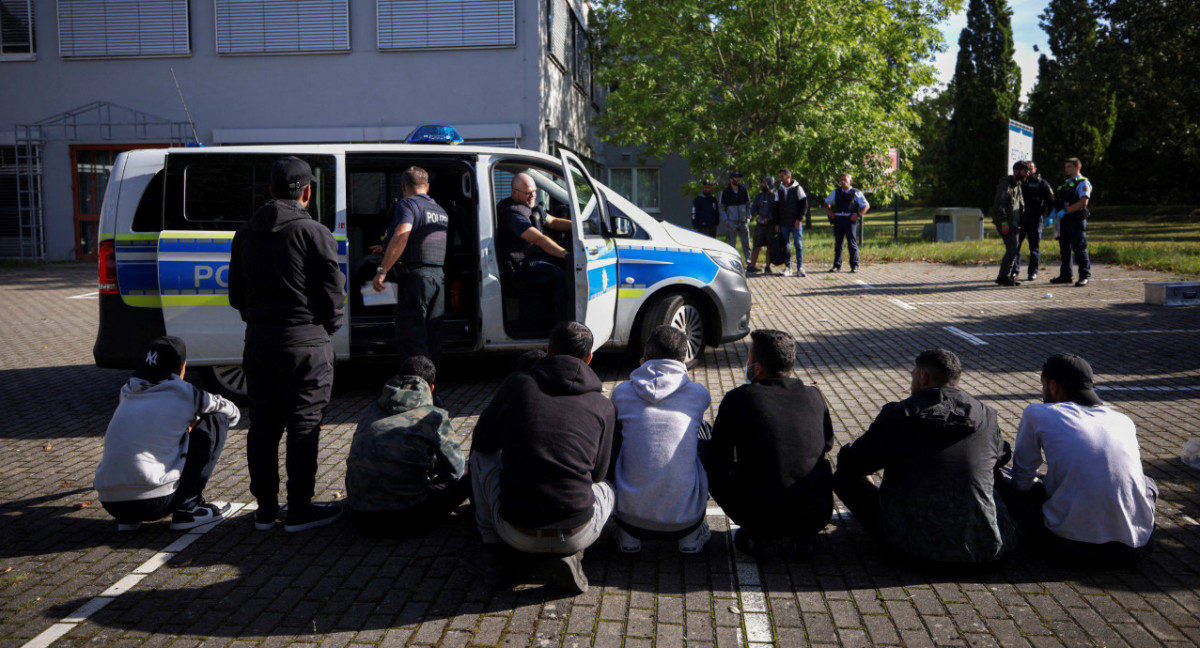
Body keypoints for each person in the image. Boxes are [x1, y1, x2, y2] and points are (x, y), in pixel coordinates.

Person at [228, 156, 346, 533]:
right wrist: (330, 325)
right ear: (307, 192)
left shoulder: (245, 232)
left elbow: (235, 294)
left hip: (260, 343)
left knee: (262, 426)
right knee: (304, 427)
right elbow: (332, 290)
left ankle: (264, 510)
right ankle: (298, 509)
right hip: (306, 343)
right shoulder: (314, 232)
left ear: (270, 190)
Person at [467, 321, 615, 593]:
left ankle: (494, 551)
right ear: (590, 358)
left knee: (479, 456)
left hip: (514, 530)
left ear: (548, 351)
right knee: (608, 488)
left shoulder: (518, 385)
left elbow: (482, 442)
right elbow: (598, 474)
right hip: (577, 530)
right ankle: (572, 553)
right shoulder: (603, 405)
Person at [832, 349, 1015, 567]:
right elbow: (1002, 455)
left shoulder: (899, 414)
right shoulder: (986, 414)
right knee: (990, 468)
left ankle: (899, 521)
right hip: (983, 551)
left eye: (912, 375)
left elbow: (851, 462)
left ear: (923, 377)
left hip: (914, 549)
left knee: (843, 477)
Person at [1000, 353, 1157, 566]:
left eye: (1043, 385)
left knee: (1000, 476)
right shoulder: (1123, 420)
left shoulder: (1038, 412)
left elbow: (1022, 482)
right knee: (1147, 482)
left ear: (1053, 386)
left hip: (1070, 546)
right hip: (1136, 547)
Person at [703, 329, 834, 557]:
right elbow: (827, 445)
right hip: (817, 512)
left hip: (760, 513)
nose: (747, 365)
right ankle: (804, 536)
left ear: (758, 367)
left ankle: (757, 534)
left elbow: (718, 457)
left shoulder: (739, 398)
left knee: (711, 464)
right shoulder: (815, 396)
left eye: (748, 359)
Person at [94, 336, 240, 531]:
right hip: (155, 502)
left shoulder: (128, 391)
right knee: (217, 417)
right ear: (182, 367)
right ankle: (190, 508)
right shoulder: (185, 393)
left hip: (111, 503)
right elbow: (232, 412)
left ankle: (129, 520)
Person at [609, 325, 712, 554]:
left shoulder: (621, 392)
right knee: (702, 429)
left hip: (629, 519)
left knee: (619, 431)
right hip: (685, 521)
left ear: (644, 357)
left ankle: (627, 537)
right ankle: (692, 537)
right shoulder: (699, 394)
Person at [345, 355, 468, 536]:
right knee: (472, 469)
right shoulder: (433, 416)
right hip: (408, 518)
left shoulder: (370, 410)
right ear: (431, 388)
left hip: (360, 517)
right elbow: (456, 469)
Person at [372, 167, 450, 366]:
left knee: (412, 337)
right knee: (432, 336)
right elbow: (422, 241)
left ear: (404, 186)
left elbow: (402, 236)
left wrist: (382, 271)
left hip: (416, 279)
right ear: (427, 187)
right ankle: (431, 389)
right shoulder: (439, 210)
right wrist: (386, 248)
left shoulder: (407, 203)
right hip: (438, 278)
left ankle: (414, 390)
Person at [496, 172, 572, 318]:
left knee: (571, 247)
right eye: (528, 193)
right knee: (560, 277)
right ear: (514, 192)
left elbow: (553, 222)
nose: (532, 196)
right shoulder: (513, 215)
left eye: (534, 192)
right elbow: (539, 239)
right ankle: (562, 326)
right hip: (522, 264)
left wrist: (582, 226)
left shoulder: (529, 205)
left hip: (535, 254)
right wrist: (565, 255)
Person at [1049, 158, 1093, 287]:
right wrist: (1052, 215)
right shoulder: (1066, 183)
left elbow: (1083, 202)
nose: (1066, 169)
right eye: (1065, 166)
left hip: (1076, 220)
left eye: (1069, 166)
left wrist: (1066, 210)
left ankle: (1084, 276)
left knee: (1079, 248)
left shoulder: (1082, 183)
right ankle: (1066, 275)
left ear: (1077, 167)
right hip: (1064, 221)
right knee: (1064, 249)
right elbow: (1058, 202)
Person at [1011, 160, 1055, 282]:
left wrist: (1050, 216)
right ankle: (1014, 271)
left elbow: (1051, 201)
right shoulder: (1018, 182)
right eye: (1026, 169)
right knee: (1015, 246)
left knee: (1034, 246)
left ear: (1035, 170)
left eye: (1030, 168)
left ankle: (1033, 272)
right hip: (1020, 218)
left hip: (1035, 218)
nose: (1028, 171)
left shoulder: (1040, 183)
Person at [991, 161, 1028, 286]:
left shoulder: (1018, 185)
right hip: (1006, 222)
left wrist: (1021, 221)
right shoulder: (1005, 184)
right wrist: (1003, 222)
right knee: (1012, 248)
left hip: (1014, 223)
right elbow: (1000, 205)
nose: (1027, 174)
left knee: (1013, 249)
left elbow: (1019, 205)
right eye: (1025, 171)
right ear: (1016, 171)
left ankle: (1005, 276)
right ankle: (1002, 277)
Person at [824, 173, 869, 273]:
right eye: (841, 180)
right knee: (838, 244)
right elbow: (826, 202)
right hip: (838, 219)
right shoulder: (836, 192)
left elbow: (866, 206)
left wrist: (858, 215)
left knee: (852, 244)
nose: (843, 182)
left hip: (850, 220)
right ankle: (837, 266)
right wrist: (830, 212)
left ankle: (854, 265)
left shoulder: (856, 192)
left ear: (850, 181)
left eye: (845, 180)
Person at [775, 169, 808, 277]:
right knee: (785, 246)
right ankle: (788, 267)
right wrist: (777, 223)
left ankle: (800, 268)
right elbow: (776, 207)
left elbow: (804, 205)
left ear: (788, 176)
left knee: (798, 245)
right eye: (780, 176)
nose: (781, 178)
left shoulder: (798, 188)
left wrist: (799, 219)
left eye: (782, 176)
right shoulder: (779, 190)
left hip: (795, 223)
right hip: (784, 223)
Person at [747, 175, 776, 274]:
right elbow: (753, 208)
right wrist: (758, 216)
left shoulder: (775, 196)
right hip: (760, 226)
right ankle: (751, 266)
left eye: (763, 183)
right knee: (756, 245)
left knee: (770, 246)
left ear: (769, 184)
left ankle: (767, 267)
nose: (761, 185)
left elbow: (777, 211)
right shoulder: (759, 196)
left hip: (770, 225)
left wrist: (769, 219)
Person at [719, 172, 751, 261]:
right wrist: (726, 221)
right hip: (731, 222)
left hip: (743, 222)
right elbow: (722, 208)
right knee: (732, 244)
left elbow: (748, 204)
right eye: (736, 178)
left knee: (747, 244)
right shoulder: (725, 192)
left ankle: (749, 263)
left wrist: (748, 217)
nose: (738, 180)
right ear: (731, 180)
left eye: (739, 178)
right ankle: (732, 262)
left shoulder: (743, 190)